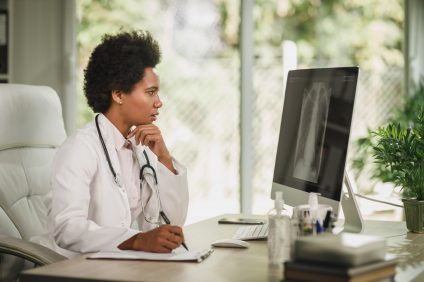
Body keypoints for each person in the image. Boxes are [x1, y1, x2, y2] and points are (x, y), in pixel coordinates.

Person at [34, 30, 189, 258]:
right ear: (118, 94)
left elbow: (170, 223)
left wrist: (164, 158)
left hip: (112, 264)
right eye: (150, 92)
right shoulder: (81, 147)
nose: (159, 102)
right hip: (64, 266)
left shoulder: (142, 148)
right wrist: (135, 240)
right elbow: (66, 228)